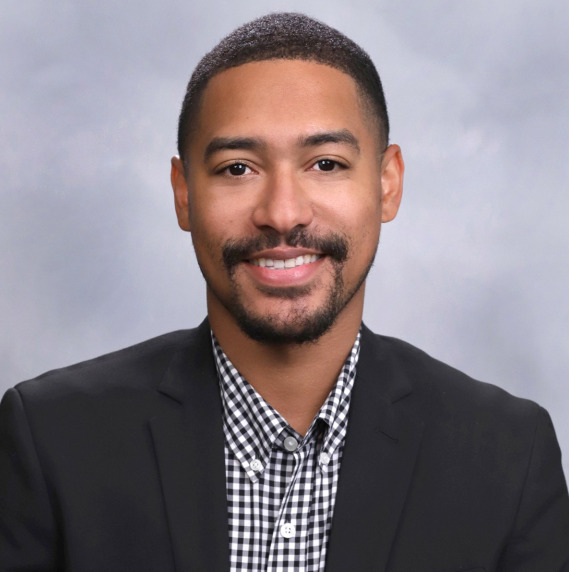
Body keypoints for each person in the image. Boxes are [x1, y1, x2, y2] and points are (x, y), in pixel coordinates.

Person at [1, 12, 568, 572]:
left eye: (326, 163)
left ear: (387, 183)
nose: (282, 213)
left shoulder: (508, 457)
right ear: (183, 194)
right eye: (237, 169)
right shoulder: (50, 439)